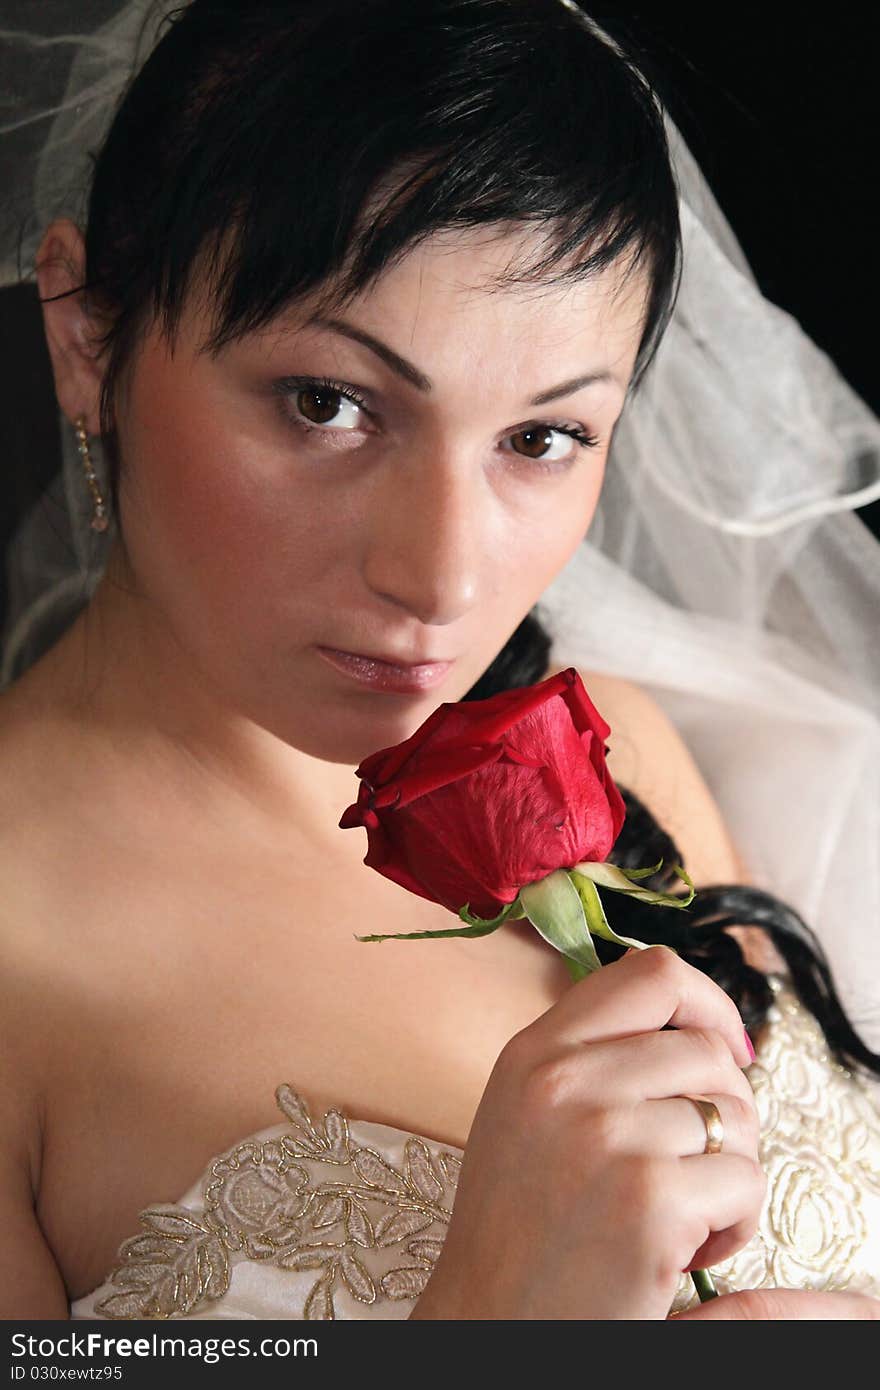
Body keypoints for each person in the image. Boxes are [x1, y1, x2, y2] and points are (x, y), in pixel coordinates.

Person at [0, 0, 878, 1321]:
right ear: (85, 338)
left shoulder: (613, 750)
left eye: (541, 438)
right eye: (328, 404)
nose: (445, 577)